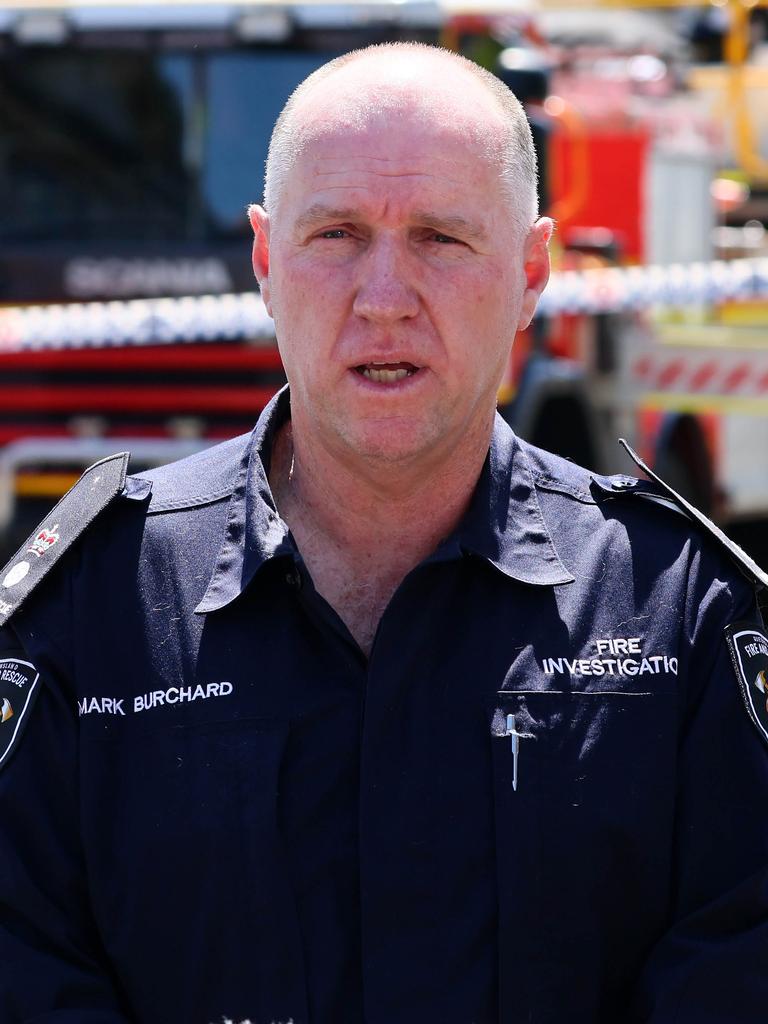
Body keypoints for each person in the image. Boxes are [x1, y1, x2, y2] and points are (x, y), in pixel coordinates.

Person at [1, 42, 767, 1024]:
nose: (385, 297)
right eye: (338, 235)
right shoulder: (86, 614)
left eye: (442, 237)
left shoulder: (680, 615)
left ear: (534, 270)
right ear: (267, 261)